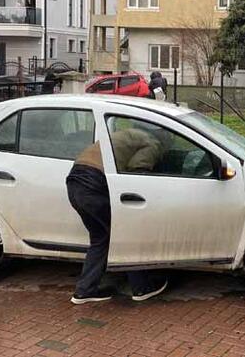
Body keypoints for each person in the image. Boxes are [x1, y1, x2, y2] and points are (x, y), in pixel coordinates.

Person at [66, 125, 170, 304]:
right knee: (127, 235)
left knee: (101, 237)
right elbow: (138, 170)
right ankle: (142, 287)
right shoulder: (152, 142)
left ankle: (85, 291)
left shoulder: (125, 133)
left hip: (75, 184)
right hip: (95, 184)